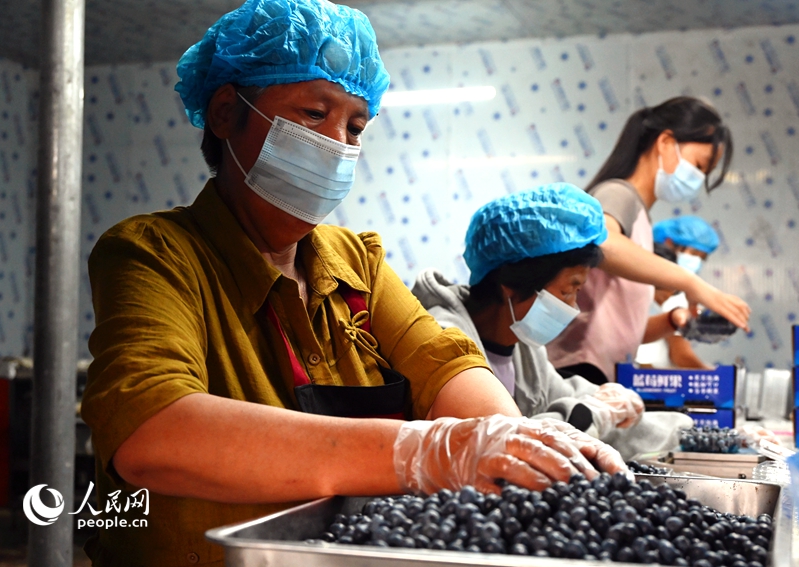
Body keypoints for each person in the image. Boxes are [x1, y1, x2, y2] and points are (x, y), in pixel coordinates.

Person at [80, 1, 625, 565]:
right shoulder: (154, 254)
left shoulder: (356, 262)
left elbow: (444, 363)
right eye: (314, 114)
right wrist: (430, 450)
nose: (338, 144)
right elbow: (153, 430)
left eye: (356, 126)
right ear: (225, 113)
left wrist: (513, 440)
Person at [413, 184, 693, 460]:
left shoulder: (524, 349)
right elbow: (500, 441)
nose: (572, 306)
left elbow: (560, 395)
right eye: (566, 291)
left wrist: (683, 432)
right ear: (511, 284)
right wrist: (596, 411)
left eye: (577, 292)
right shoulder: (446, 339)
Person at [546, 96, 751, 384]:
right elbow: (602, 242)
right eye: (699, 166)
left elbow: (624, 329)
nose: (699, 179)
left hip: (603, 374)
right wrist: (691, 283)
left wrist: (672, 320)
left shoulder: (640, 214)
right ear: (665, 142)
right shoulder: (618, 194)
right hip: (577, 372)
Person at [636, 216, 721, 369]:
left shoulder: (678, 299)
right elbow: (681, 356)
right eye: (694, 253)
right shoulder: (669, 299)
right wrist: (716, 378)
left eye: (702, 258)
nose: (696, 262)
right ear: (669, 243)